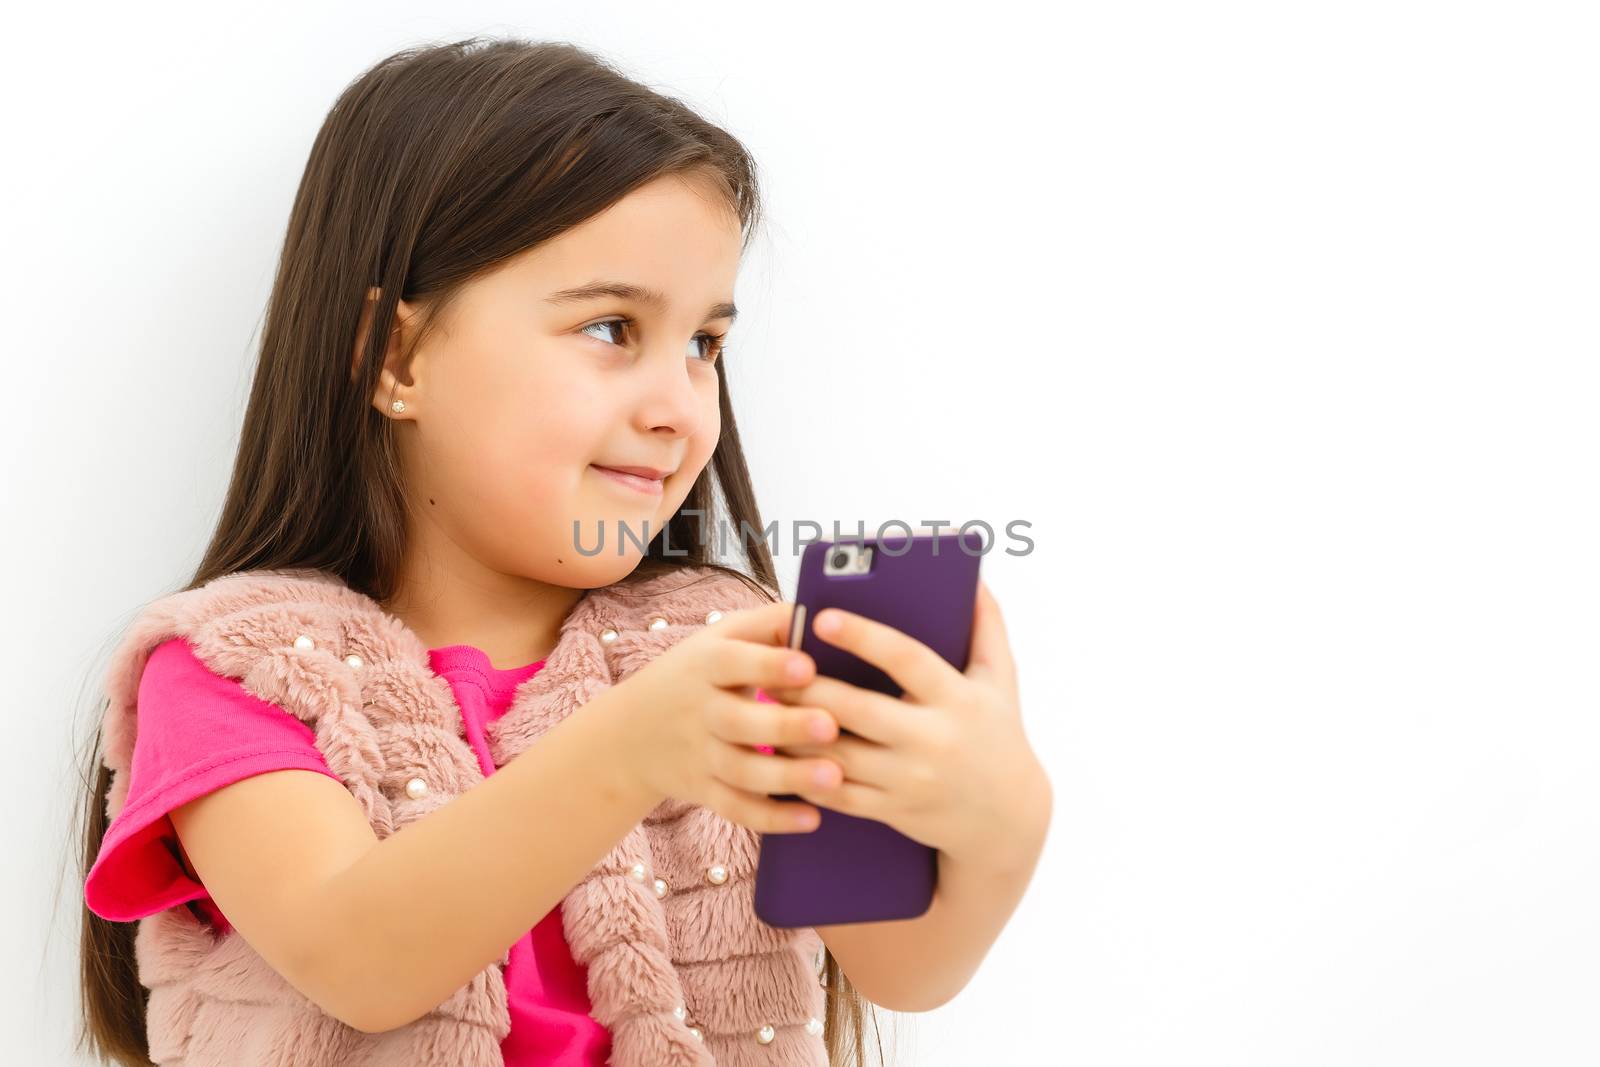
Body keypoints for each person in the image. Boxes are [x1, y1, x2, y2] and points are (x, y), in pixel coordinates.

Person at [74, 35, 1052, 1067]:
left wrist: (1002, 822)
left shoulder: (717, 648)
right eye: (609, 327)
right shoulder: (237, 672)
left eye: (703, 345)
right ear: (394, 357)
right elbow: (360, 954)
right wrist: (635, 743)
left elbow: (905, 965)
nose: (679, 407)